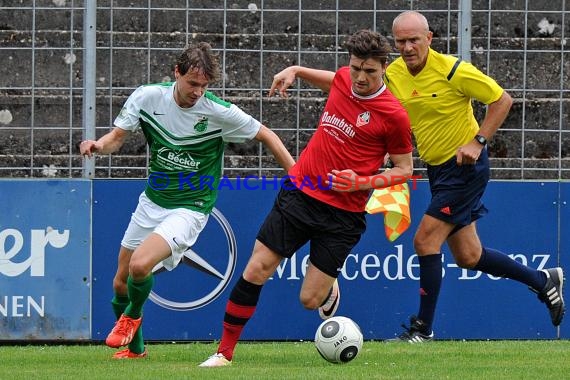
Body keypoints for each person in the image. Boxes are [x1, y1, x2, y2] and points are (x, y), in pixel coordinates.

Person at [199, 29, 414, 367]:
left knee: (309, 299)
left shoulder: (394, 115)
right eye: (356, 67)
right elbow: (333, 79)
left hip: (343, 213)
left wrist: (363, 180)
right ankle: (224, 352)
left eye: (369, 71)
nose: (360, 77)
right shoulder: (345, 78)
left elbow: (404, 169)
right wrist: (295, 70)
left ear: (384, 67)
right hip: (300, 192)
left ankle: (328, 289)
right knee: (257, 268)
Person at [79, 42, 295, 359]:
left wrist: (299, 178)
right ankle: (136, 350)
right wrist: (98, 146)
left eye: (204, 86)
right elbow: (116, 139)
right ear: (176, 73)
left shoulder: (218, 112)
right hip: (152, 202)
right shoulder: (147, 97)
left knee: (140, 265)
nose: (198, 92)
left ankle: (132, 317)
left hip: (190, 209)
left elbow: (268, 135)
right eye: (193, 83)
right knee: (120, 284)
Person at [383, 10, 565, 343]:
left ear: (429, 39)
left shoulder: (453, 70)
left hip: (465, 170)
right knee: (469, 256)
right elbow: (352, 81)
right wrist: (298, 70)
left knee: (424, 240)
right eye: (401, 41)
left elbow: (501, 99)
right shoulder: (395, 72)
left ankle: (421, 331)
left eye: (414, 40)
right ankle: (543, 281)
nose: (407, 47)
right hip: (438, 170)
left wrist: (478, 141)